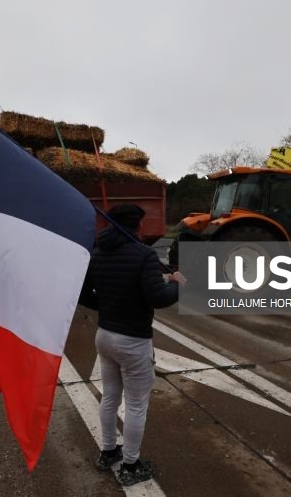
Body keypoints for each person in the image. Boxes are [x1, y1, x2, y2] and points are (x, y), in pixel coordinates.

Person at [79, 204, 185, 486]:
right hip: (133, 341)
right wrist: (177, 284)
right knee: (136, 405)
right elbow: (158, 297)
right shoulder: (144, 255)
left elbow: (84, 294)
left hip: (105, 335)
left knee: (111, 396)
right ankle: (130, 465)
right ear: (137, 224)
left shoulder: (97, 253)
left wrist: (109, 304)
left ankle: (108, 451)